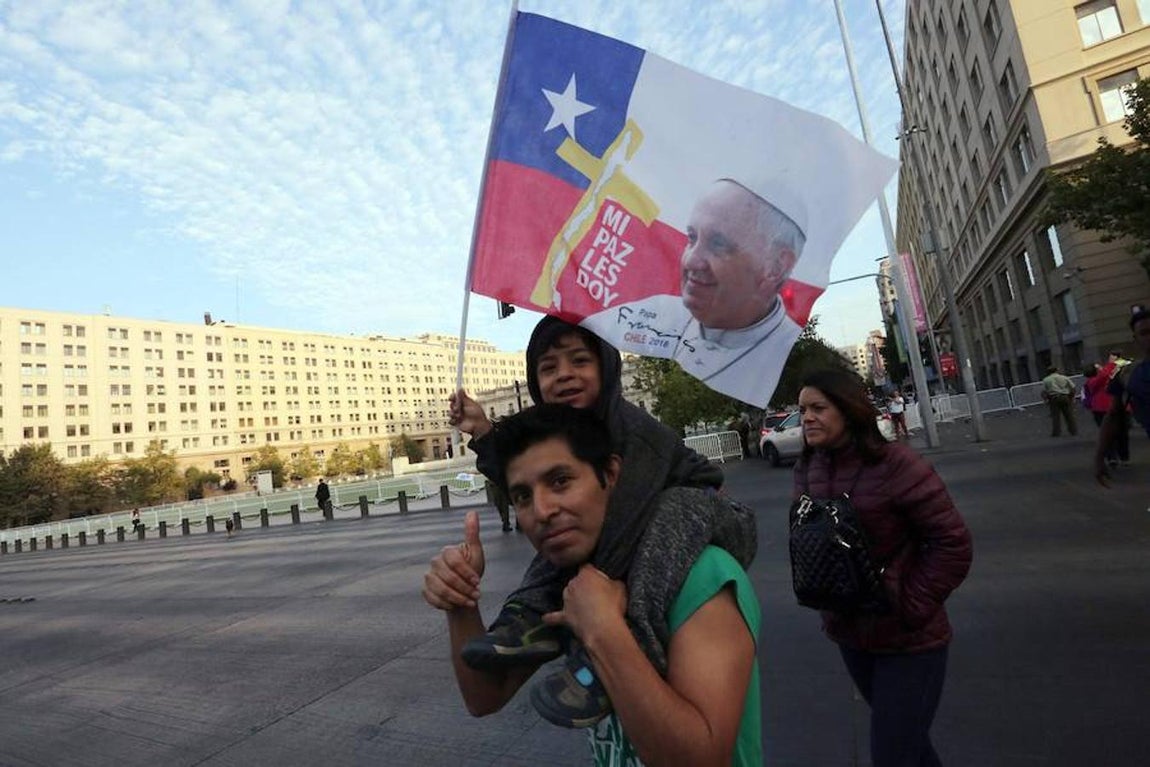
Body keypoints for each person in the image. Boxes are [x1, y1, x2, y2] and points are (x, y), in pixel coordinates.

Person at [448, 315, 754, 729]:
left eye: (579, 361)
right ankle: (525, 619)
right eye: (549, 368)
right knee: (561, 532)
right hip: (647, 517)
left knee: (645, 527)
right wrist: (484, 433)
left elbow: (623, 523)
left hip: (704, 507)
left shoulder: (633, 432)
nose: (564, 375)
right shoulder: (575, 436)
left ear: (607, 369)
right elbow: (529, 475)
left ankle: (626, 649)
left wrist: (597, 603)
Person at [423, 404, 761, 765]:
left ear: (610, 474)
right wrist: (460, 599)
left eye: (560, 481)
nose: (542, 511)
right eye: (522, 496)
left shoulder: (703, 575)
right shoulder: (570, 578)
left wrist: (603, 629)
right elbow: (485, 696)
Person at [793, 369, 972, 767]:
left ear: (849, 410)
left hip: (909, 640)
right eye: (803, 409)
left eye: (818, 408)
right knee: (910, 749)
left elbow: (952, 543)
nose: (807, 418)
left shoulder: (897, 464)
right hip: (850, 634)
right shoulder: (808, 468)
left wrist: (909, 605)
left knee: (893, 753)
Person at [582, 178, 807, 406]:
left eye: (718, 244)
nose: (690, 261)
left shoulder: (791, 353)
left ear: (775, 265)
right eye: (692, 238)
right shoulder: (655, 310)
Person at [1096, 306, 1150, 484]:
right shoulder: (1128, 374)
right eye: (1145, 333)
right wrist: (1099, 457)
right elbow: (1113, 415)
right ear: (1136, 339)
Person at [1083, 362, 1128, 467]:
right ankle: (1116, 456)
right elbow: (1105, 375)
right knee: (1113, 433)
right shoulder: (1093, 381)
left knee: (1111, 433)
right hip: (1106, 408)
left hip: (1101, 409)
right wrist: (1110, 365)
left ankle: (1114, 456)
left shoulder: (1091, 382)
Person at [1041, 365, 1078, 437]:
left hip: (1053, 398)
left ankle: (1056, 432)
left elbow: (1044, 391)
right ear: (1057, 370)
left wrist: (1045, 400)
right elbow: (1073, 387)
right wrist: (1072, 397)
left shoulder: (1046, 380)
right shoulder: (1064, 377)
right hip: (1064, 396)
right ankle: (1073, 430)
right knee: (1069, 414)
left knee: (1055, 416)